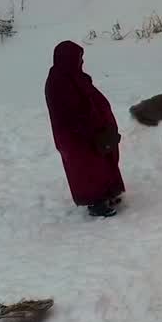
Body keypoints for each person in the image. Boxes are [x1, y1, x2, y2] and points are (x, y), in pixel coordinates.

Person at [44, 41, 123, 218]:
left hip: (91, 130)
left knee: (102, 162)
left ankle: (107, 193)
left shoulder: (75, 76)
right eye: (79, 58)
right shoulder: (59, 82)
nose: (82, 62)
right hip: (75, 136)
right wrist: (91, 129)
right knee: (87, 168)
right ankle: (96, 203)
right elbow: (72, 112)